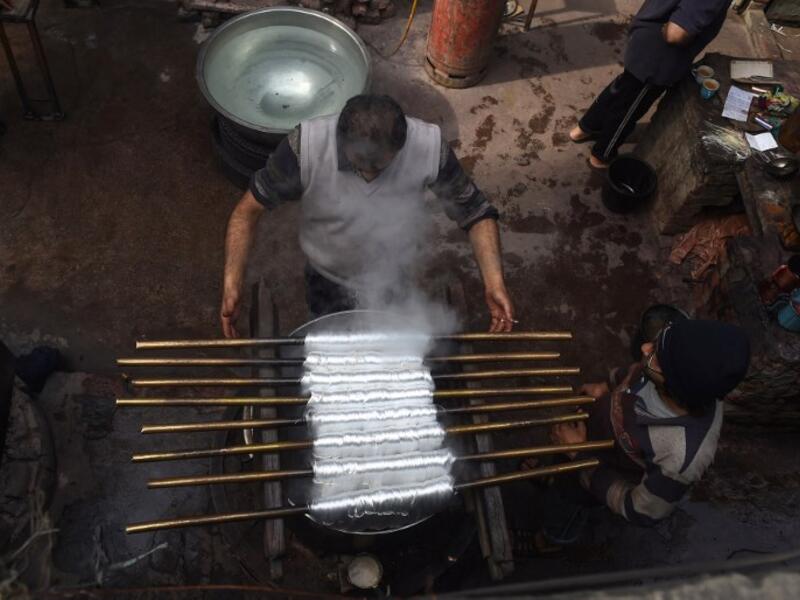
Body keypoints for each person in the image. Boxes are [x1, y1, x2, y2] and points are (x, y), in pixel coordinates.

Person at [220, 94, 515, 337]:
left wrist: (494, 283)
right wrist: (232, 283)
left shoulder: (428, 147)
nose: (370, 174)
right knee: (330, 337)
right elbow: (246, 212)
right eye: (360, 163)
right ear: (341, 139)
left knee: (392, 341)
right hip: (325, 274)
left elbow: (477, 213)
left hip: (395, 276)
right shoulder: (306, 146)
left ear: (401, 145)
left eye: (381, 166)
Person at [550, 319, 750, 526]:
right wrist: (608, 385)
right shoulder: (671, 371)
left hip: (599, 471)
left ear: (676, 387)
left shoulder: (680, 459)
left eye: (657, 356)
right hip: (589, 431)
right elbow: (637, 370)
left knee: (567, 495)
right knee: (556, 462)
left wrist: (580, 457)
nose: (645, 348)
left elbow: (639, 510)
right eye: (656, 343)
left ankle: (561, 526)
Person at [569, 0, 731, 168]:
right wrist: (669, 31)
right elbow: (676, 33)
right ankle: (602, 155)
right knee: (628, 110)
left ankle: (584, 128)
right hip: (658, 58)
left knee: (620, 89)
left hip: (644, 36)